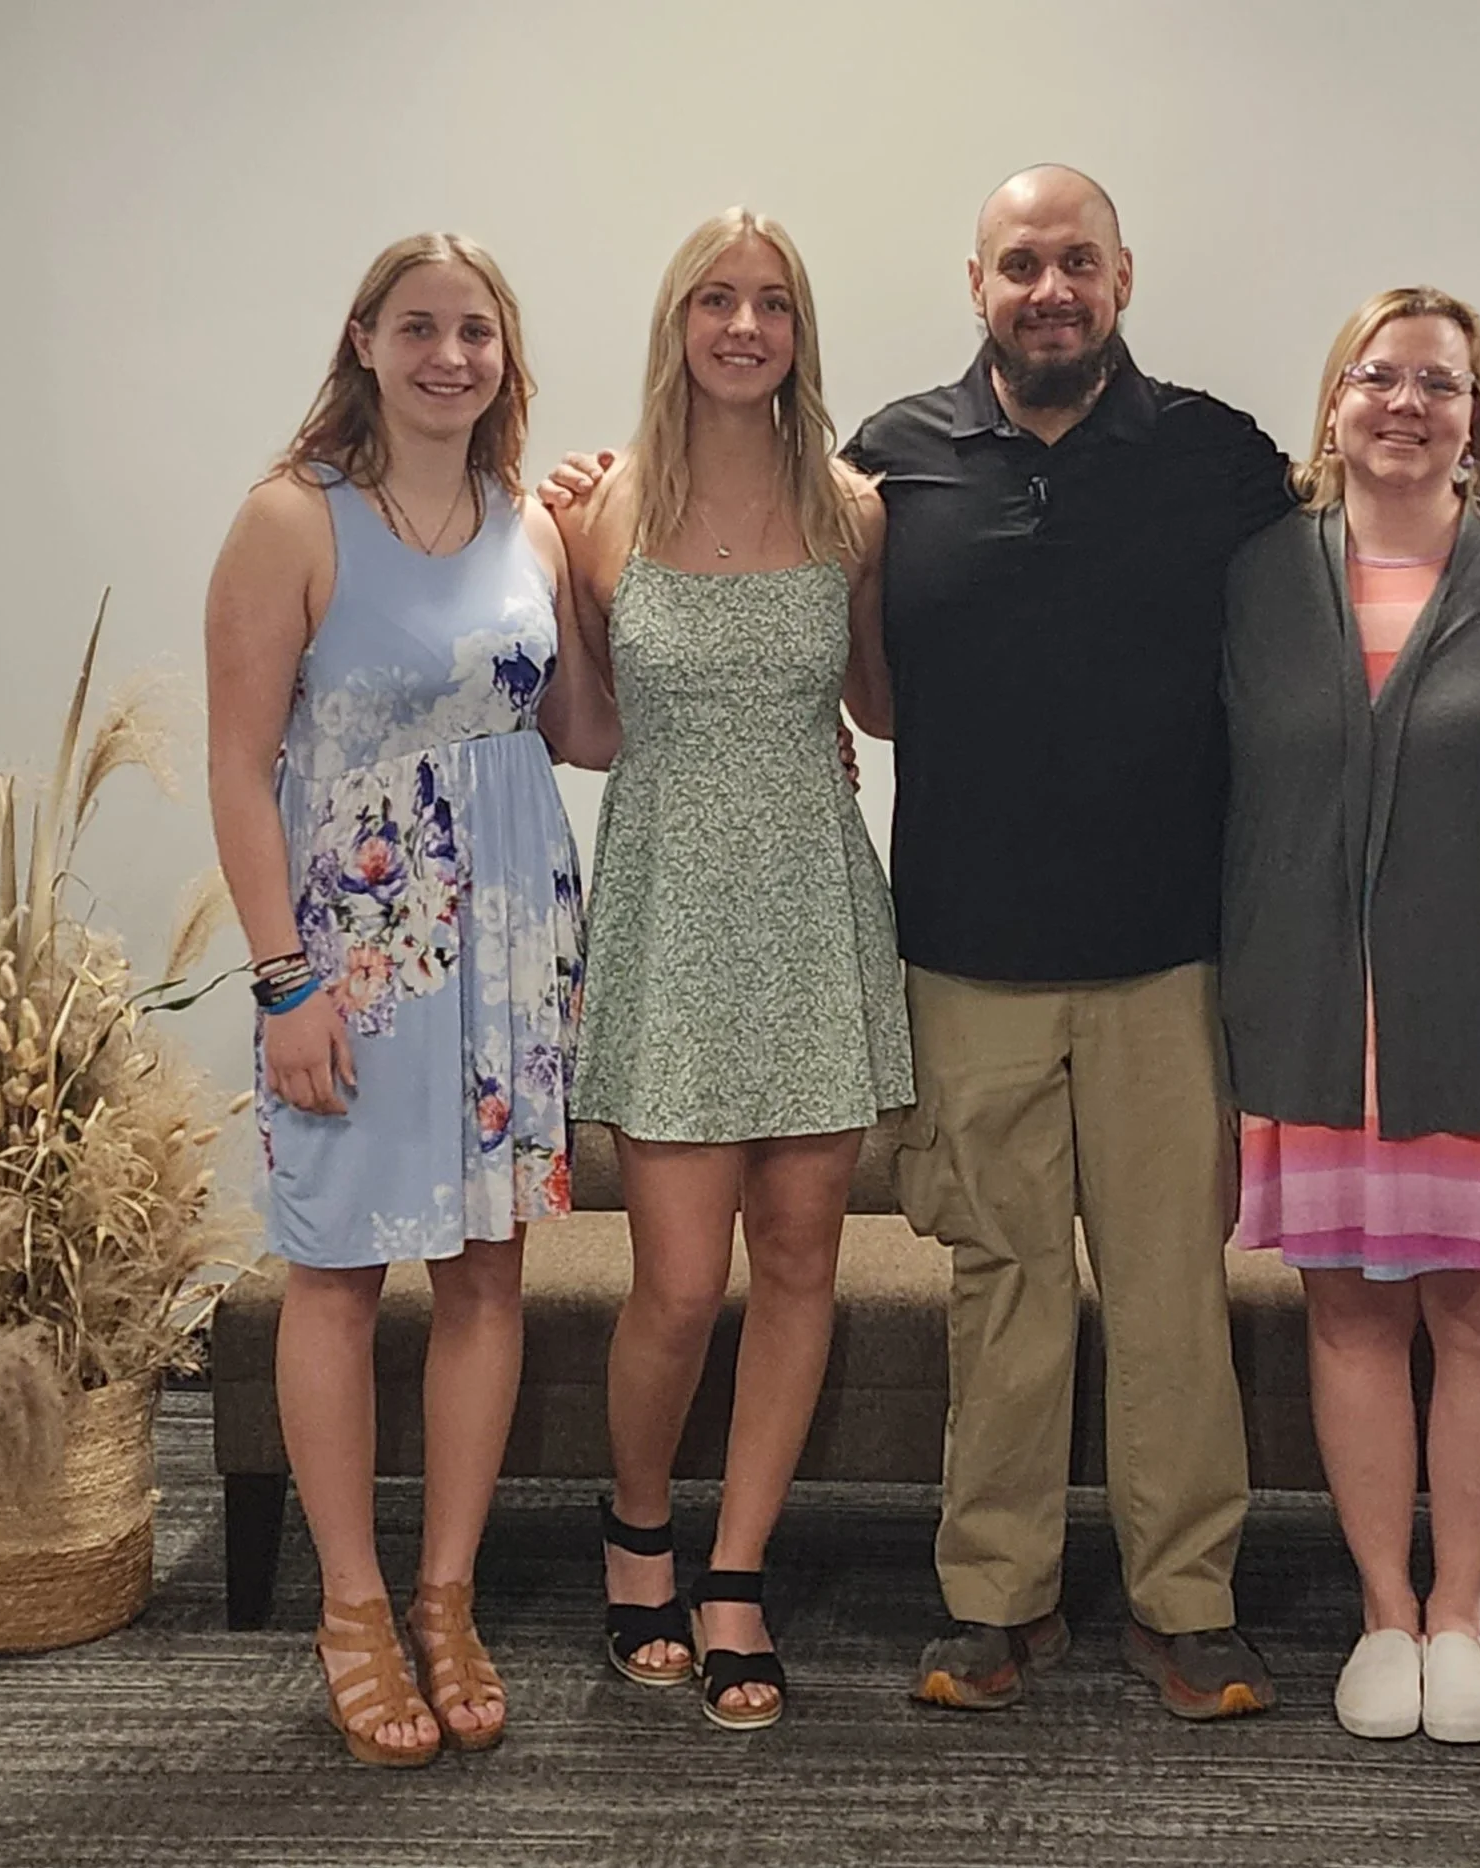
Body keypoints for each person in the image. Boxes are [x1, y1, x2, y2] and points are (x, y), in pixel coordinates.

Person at [546, 165, 1480, 1723]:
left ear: (1123, 279)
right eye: (1020, 264)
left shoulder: (1219, 457)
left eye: (1079, 264)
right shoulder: (887, 468)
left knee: (1175, 1290)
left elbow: (1390, 525)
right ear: (974, 282)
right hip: (964, 949)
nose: (1051, 289)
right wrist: (585, 488)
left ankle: (1185, 1605)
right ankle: (997, 1602)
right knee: (1005, 1288)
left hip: (1171, 956)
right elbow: (794, 622)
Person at [205, 232, 612, 1767]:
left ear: (506, 357)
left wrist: (600, 551)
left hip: (512, 944)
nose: (452, 356)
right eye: (422, 328)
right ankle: (355, 1606)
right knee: (339, 1273)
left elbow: (578, 730)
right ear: (365, 340)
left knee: (490, 1275)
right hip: (358, 958)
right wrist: (285, 981)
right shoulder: (287, 521)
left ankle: (449, 1596)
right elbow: (241, 770)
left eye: (479, 333)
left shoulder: (528, 523)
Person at [1220, 287, 1480, 1744]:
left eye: (1435, 383)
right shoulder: (1257, 574)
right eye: (1375, 377)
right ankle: (1386, 1608)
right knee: (1349, 1317)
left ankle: (1466, 1610)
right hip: (1313, 1002)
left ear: (1475, 412)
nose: (1402, 402)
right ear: (1333, 406)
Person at [548, 208, 909, 1733]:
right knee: (681, 1286)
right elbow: (586, 727)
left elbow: (880, 706)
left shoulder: (856, 513)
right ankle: (638, 1536)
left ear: (799, 330)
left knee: (806, 1264)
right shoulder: (594, 509)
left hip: (817, 910)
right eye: (717, 299)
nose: (745, 326)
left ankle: (737, 1573)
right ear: (678, 323)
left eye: (771, 302)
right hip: (671, 910)